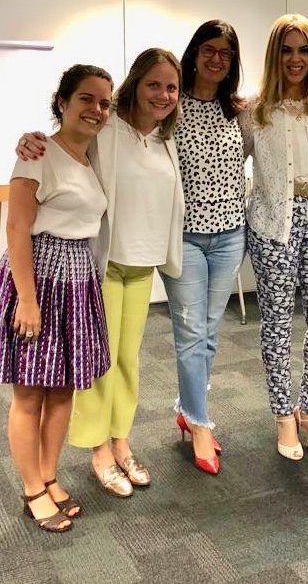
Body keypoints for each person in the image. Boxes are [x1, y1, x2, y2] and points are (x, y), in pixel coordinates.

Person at [15, 49, 184, 497]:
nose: (162, 94)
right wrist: (28, 140)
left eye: (171, 87)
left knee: (128, 361)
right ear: (135, 85)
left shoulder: (167, 139)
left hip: (143, 264)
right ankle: (98, 450)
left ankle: (121, 440)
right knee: (98, 364)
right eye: (153, 84)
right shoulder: (107, 129)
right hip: (102, 264)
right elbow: (62, 143)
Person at [0, 64, 113, 532]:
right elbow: (16, 229)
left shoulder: (92, 156)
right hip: (40, 277)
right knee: (29, 392)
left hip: (78, 277)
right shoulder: (37, 154)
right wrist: (27, 300)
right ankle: (32, 489)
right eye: (86, 98)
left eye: (104, 103)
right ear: (62, 102)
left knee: (63, 388)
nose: (97, 109)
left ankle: (48, 476)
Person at [241, 13, 308, 460]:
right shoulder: (255, 108)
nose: (295, 59)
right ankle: (284, 415)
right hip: (273, 225)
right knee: (278, 322)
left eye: (303, 50)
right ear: (274, 55)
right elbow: (228, 157)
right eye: (286, 50)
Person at [160, 20, 247, 476]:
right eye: (209, 50)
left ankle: (187, 407)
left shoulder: (240, 111)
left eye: (226, 53)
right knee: (192, 332)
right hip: (183, 237)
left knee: (210, 332)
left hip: (230, 235)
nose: (216, 59)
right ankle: (199, 423)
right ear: (194, 53)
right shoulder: (169, 106)